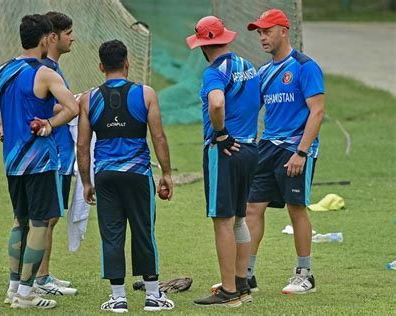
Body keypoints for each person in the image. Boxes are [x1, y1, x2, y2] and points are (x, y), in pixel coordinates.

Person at [0, 14, 78, 309]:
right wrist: (51, 124)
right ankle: (27, 294)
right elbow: (73, 107)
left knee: (20, 222)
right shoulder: (45, 73)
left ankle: (14, 288)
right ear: (45, 39)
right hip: (40, 162)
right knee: (40, 224)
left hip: (12, 162)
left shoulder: (3, 70)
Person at [77, 39, 175, 313]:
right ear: (128, 63)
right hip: (138, 175)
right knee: (144, 232)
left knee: (111, 234)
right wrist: (166, 173)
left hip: (105, 176)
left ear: (100, 67)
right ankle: (153, 296)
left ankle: (118, 298)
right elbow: (158, 136)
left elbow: (82, 146)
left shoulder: (88, 98)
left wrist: (86, 182)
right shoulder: (146, 94)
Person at [246, 9, 325, 294]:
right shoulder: (262, 73)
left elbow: (317, 112)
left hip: (296, 149)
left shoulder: (305, 66)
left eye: (267, 31)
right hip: (267, 147)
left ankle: (305, 274)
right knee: (252, 208)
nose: (262, 37)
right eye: (259, 33)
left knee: (296, 207)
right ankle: (247, 275)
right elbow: (250, 109)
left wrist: (301, 152)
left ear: (283, 30)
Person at [185, 16, 261, 307]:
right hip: (250, 149)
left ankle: (229, 291)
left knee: (222, 221)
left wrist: (221, 133)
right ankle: (242, 284)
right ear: (226, 40)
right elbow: (256, 102)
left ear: (203, 46)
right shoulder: (248, 67)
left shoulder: (214, 72)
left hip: (224, 152)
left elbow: (217, 103)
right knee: (240, 218)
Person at [33, 11, 77, 296]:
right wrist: (75, 102)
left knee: (52, 217)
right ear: (53, 37)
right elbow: (49, 109)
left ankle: (43, 274)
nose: (73, 38)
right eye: (68, 32)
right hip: (53, 154)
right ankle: (40, 278)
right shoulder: (44, 69)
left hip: (62, 153)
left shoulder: (54, 69)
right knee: (45, 217)